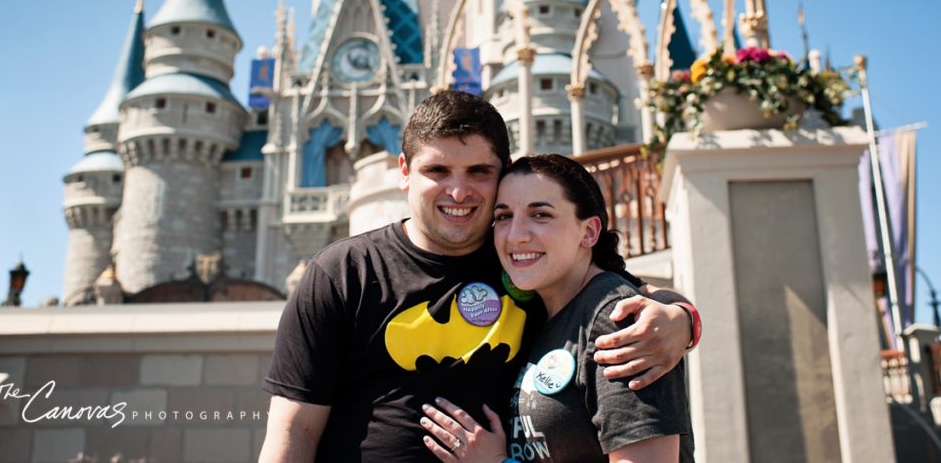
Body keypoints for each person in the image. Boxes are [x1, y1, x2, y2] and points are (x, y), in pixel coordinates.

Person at [259, 92, 695, 462]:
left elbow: (616, 297)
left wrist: (681, 318)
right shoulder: (342, 272)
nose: (458, 191)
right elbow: (294, 431)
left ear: (502, 171)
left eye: (479, 172)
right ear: (405, 171)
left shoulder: (524, 261)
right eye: (438, 171)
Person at [420, 154, 694, 463]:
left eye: (541, 215)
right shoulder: (541, 312)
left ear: (589, 232)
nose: (516, 235)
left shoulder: (615, 320)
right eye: (504, 216)